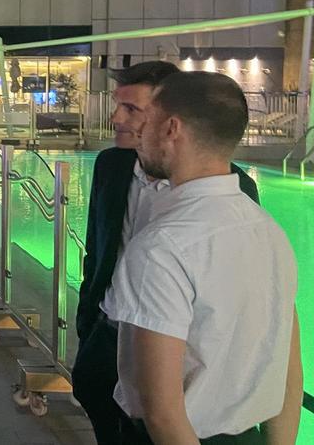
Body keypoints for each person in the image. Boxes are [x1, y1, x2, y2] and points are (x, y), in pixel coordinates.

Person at [102, 72, 301, 444]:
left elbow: (163, 414)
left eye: (147, 120)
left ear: (171, 129)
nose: (138, 131)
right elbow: (289, 365)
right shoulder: (268, 231)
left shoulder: (161, 248)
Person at [72, 61, 261, 444]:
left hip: (179, 355)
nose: (116, 118)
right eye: (118, 105)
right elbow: (97, 250)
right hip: (108, 339)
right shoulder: (111, 165)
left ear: (170, 120)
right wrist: (89, 327)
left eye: (132, 109)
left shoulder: (231, 189)